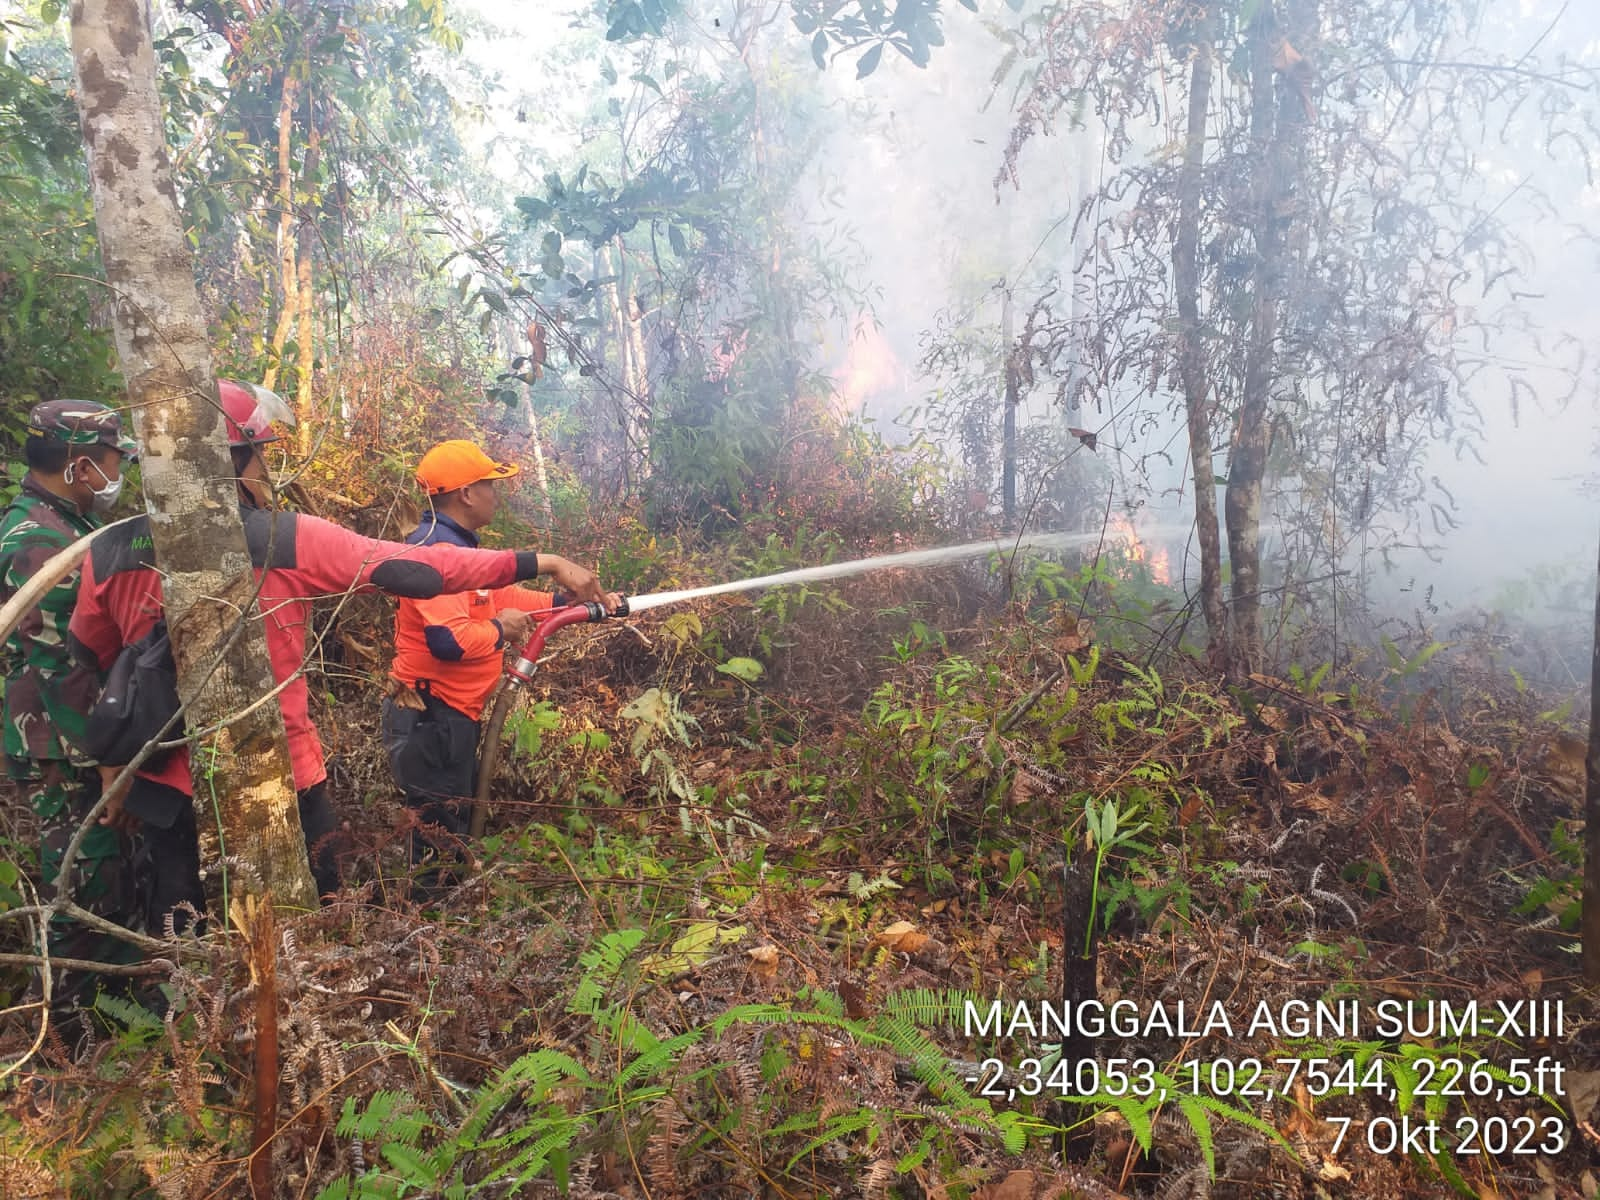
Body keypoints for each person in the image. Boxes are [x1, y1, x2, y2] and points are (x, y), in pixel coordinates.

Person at [67, 383, 611, 928]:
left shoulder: (110, 550)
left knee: (182, 932)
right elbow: (420, 569)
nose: (264, 472)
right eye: (261, 456)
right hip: (281, 779)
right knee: (314, 926)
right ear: (235, 462)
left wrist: (115, 765)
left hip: (161, 786)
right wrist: (545, 560)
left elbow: (96, 661)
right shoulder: (283, 538)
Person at [383, 441, 618, 895]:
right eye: (491, 484)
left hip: (448, 717)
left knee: (450, 827)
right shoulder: (432, 553)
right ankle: (426, 940)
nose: (497, 493)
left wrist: (563, 604)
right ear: (466, 494)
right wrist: (498, 629)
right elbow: (448, 641)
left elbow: (501, 598)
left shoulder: (459, 549)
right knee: (438, 839)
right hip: (429, 718)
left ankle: (444, 926)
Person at [0, 400, 142, 1030]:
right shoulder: (38, 543)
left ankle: (110, 1020)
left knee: (104, 878)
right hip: (60, 750)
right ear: (80, 465)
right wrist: (109, 759)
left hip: (64, 744)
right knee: (75, 890)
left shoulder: (53, 521)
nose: (119, 475)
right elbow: (67, 669)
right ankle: (65, 1040)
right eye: (114, 461)